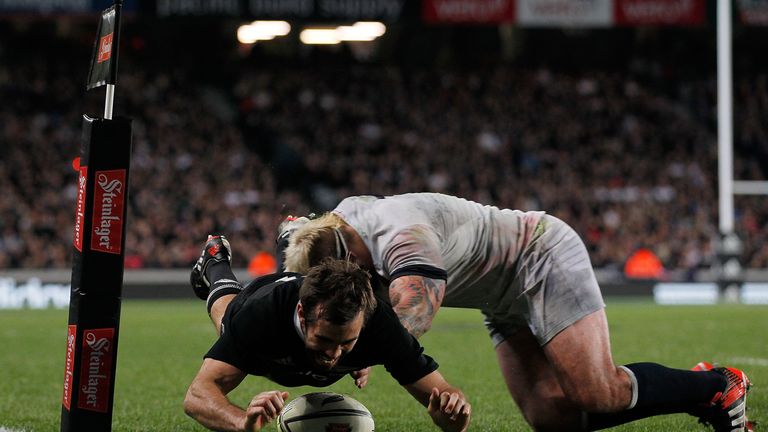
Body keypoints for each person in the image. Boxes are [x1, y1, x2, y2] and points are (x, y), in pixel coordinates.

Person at [275, 192, 752, 432]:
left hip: (537, 255)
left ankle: (717, 386)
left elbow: (416, 308)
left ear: (347, 253)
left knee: (595, 391)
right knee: (552, 418)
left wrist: (352, 353)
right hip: (498, 292)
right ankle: (698, 390)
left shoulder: (401, 236)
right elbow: (301, 231)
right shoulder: (341, 224)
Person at [184, 238, 471, 432]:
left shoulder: (380, 326)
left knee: (320, 289)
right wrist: (241, 421)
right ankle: (215, 261)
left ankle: (290, 241)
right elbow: (197, 395)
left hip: (309, 300)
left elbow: (444, 392)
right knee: (226, 319)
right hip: (265, 299)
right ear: (300, 314)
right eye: (324, 339)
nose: (334, 354)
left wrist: (453, 414)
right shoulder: (262, 317)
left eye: (348, 342)